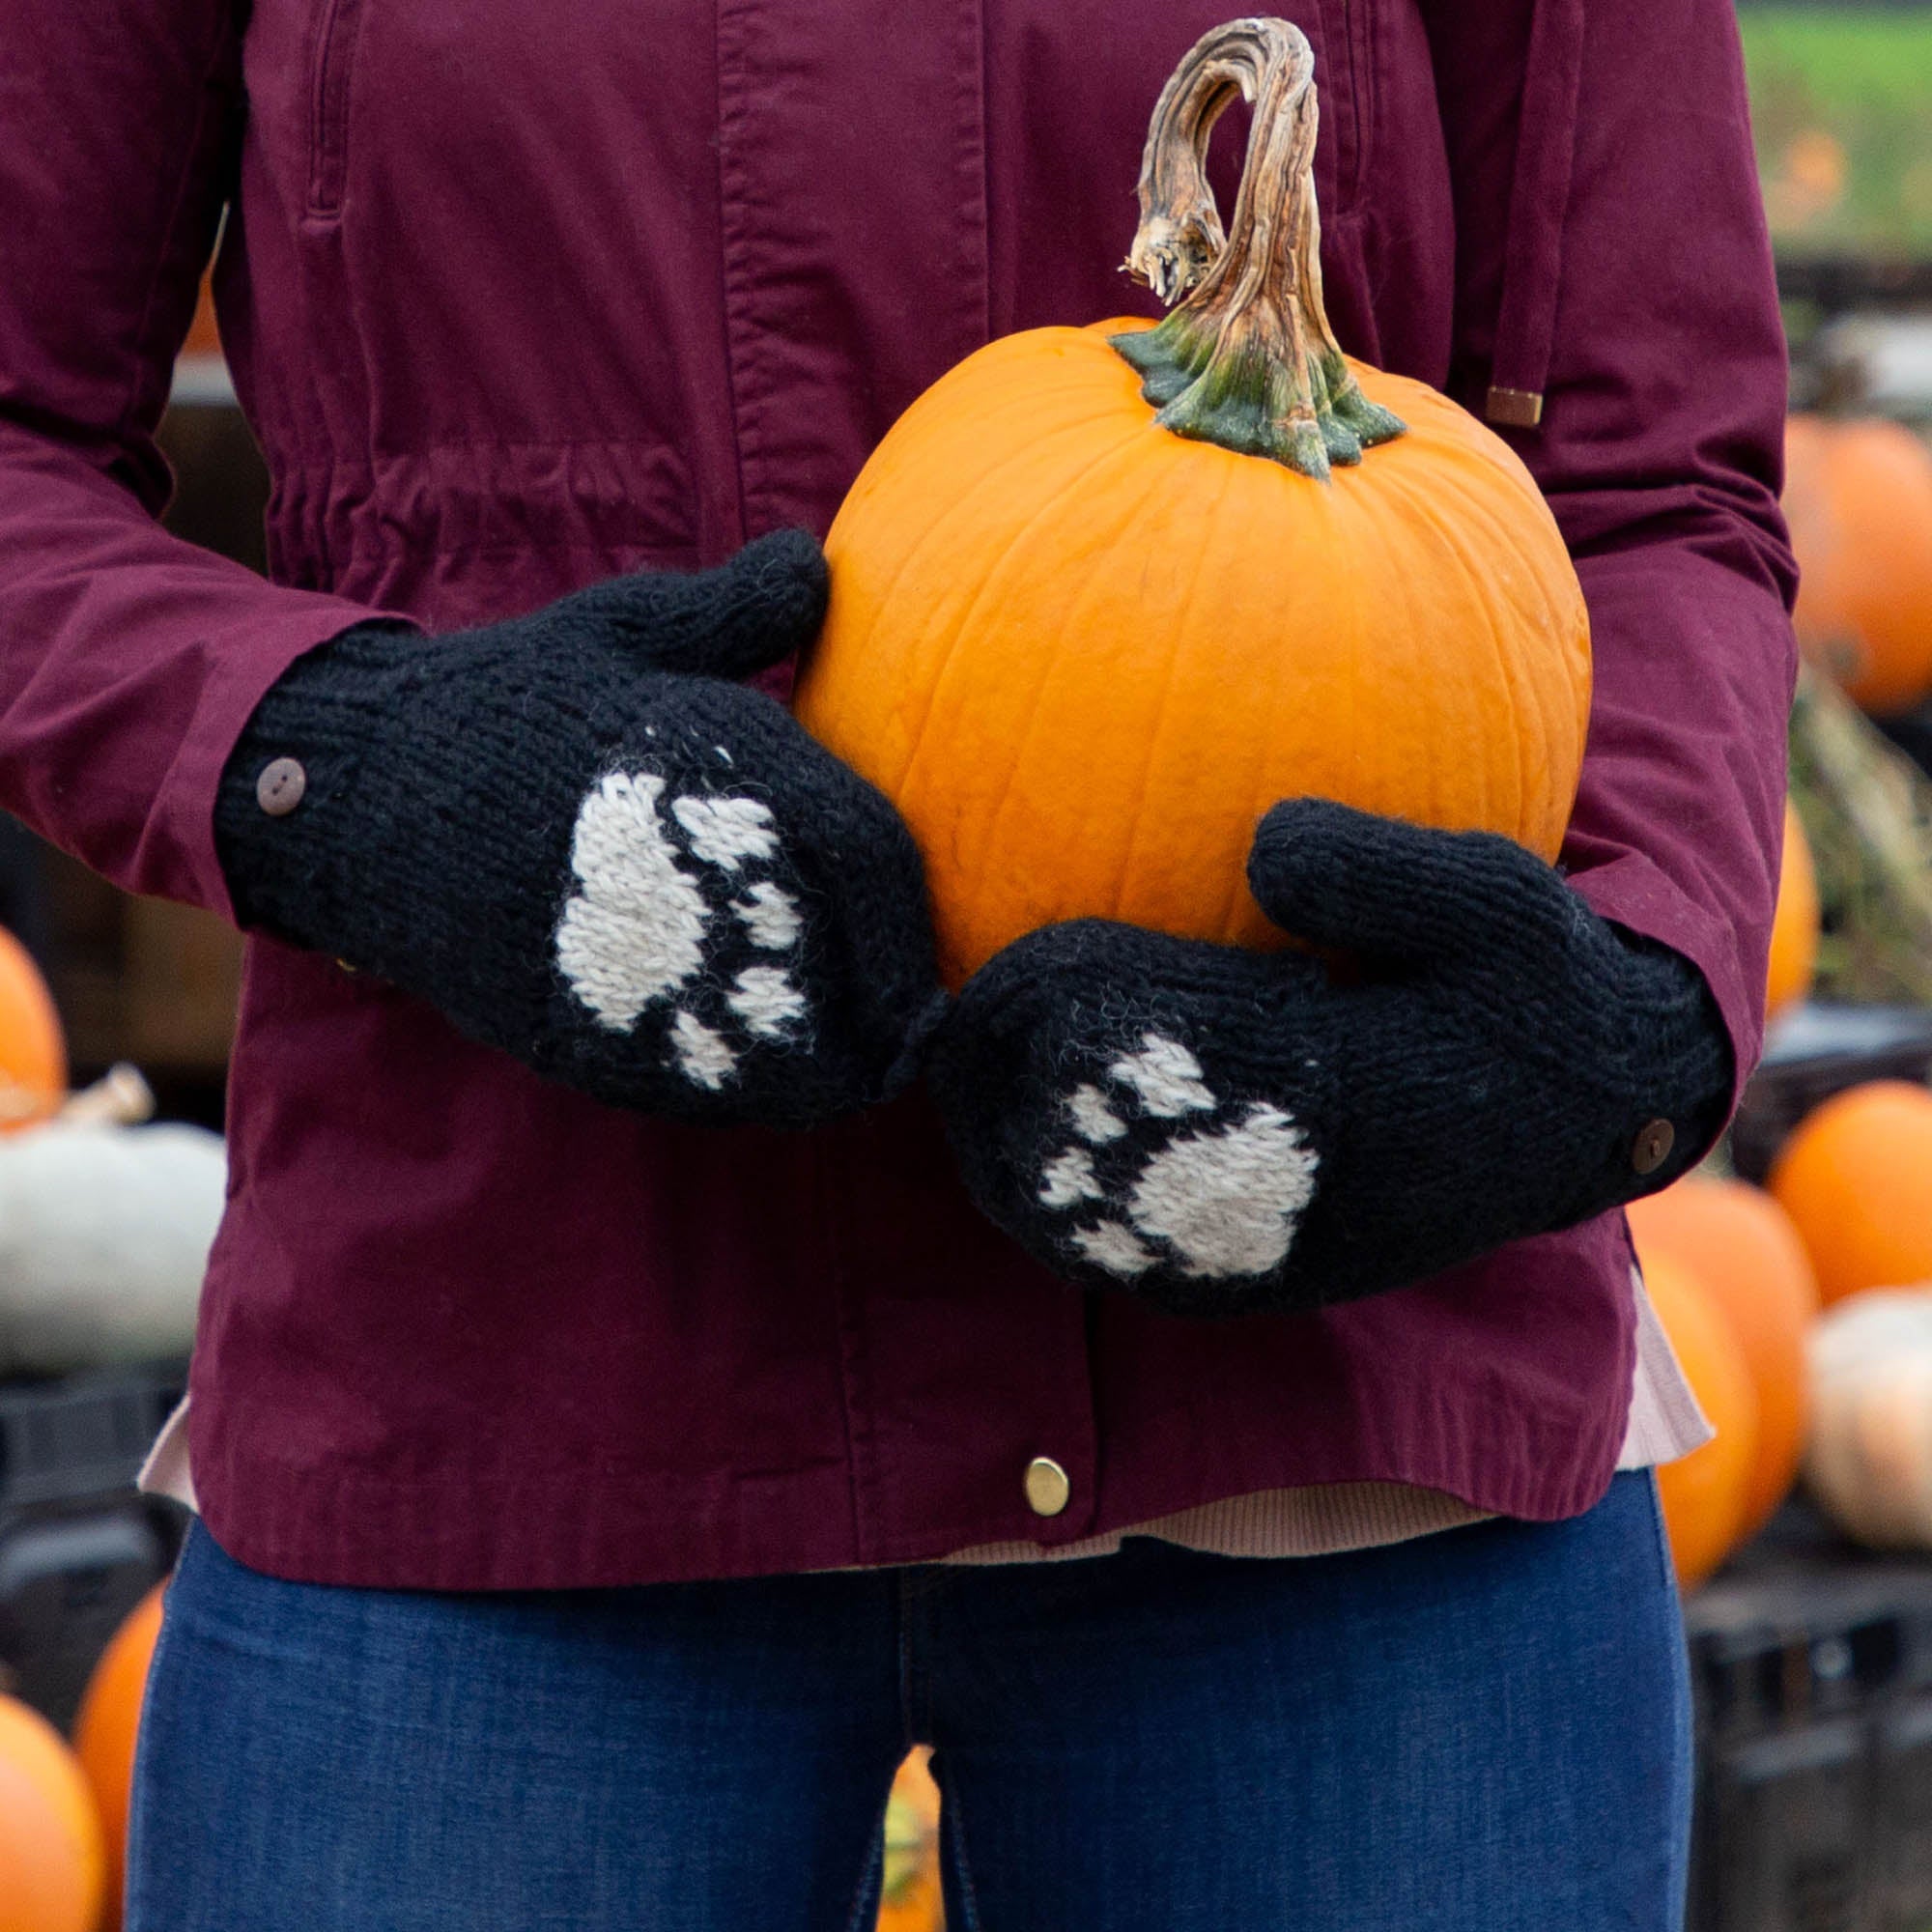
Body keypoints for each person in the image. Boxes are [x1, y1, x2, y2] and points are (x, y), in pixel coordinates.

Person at [0, 1, 1793, 1925]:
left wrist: (1614, 1015)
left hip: (1350, 1417)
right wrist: (344, 770)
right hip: (507, 1374)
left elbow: (1653, 474)